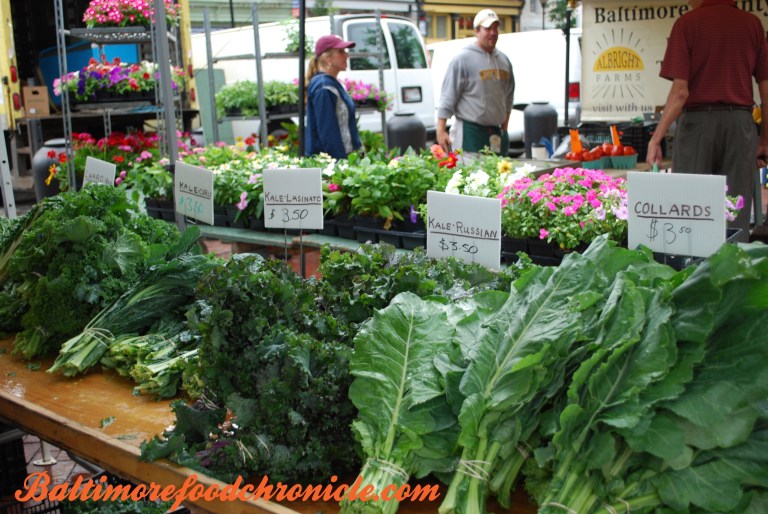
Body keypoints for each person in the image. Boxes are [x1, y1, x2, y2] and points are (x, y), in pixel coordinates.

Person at [646, 0, 768, 240]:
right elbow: (766, 93)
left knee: (690, 209)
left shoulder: (687, 24)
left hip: (697, 125)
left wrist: (656, 138)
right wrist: (764, 138)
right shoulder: (752, 25)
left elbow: (680, 92)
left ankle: (692, 270)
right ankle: (733, 269)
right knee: (736, 211)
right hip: (740, 125)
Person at [436, 9, 515, 156]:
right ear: (477, 31)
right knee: (470, 176)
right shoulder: (462, 59)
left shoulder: (504, 61)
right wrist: (440, 131)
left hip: (496, 133)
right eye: (488, 28)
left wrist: (505, 128)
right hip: (469, 133)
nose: (493, 32)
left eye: (496, 28)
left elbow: (509, 97)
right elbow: (448, 96)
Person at [305, 34, 362, 160]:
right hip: (330, 164)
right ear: (327, 58)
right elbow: (328, 132)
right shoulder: (324, 87)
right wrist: (341, 164)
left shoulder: (330, 83)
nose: (346, 55)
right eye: (340, 52)